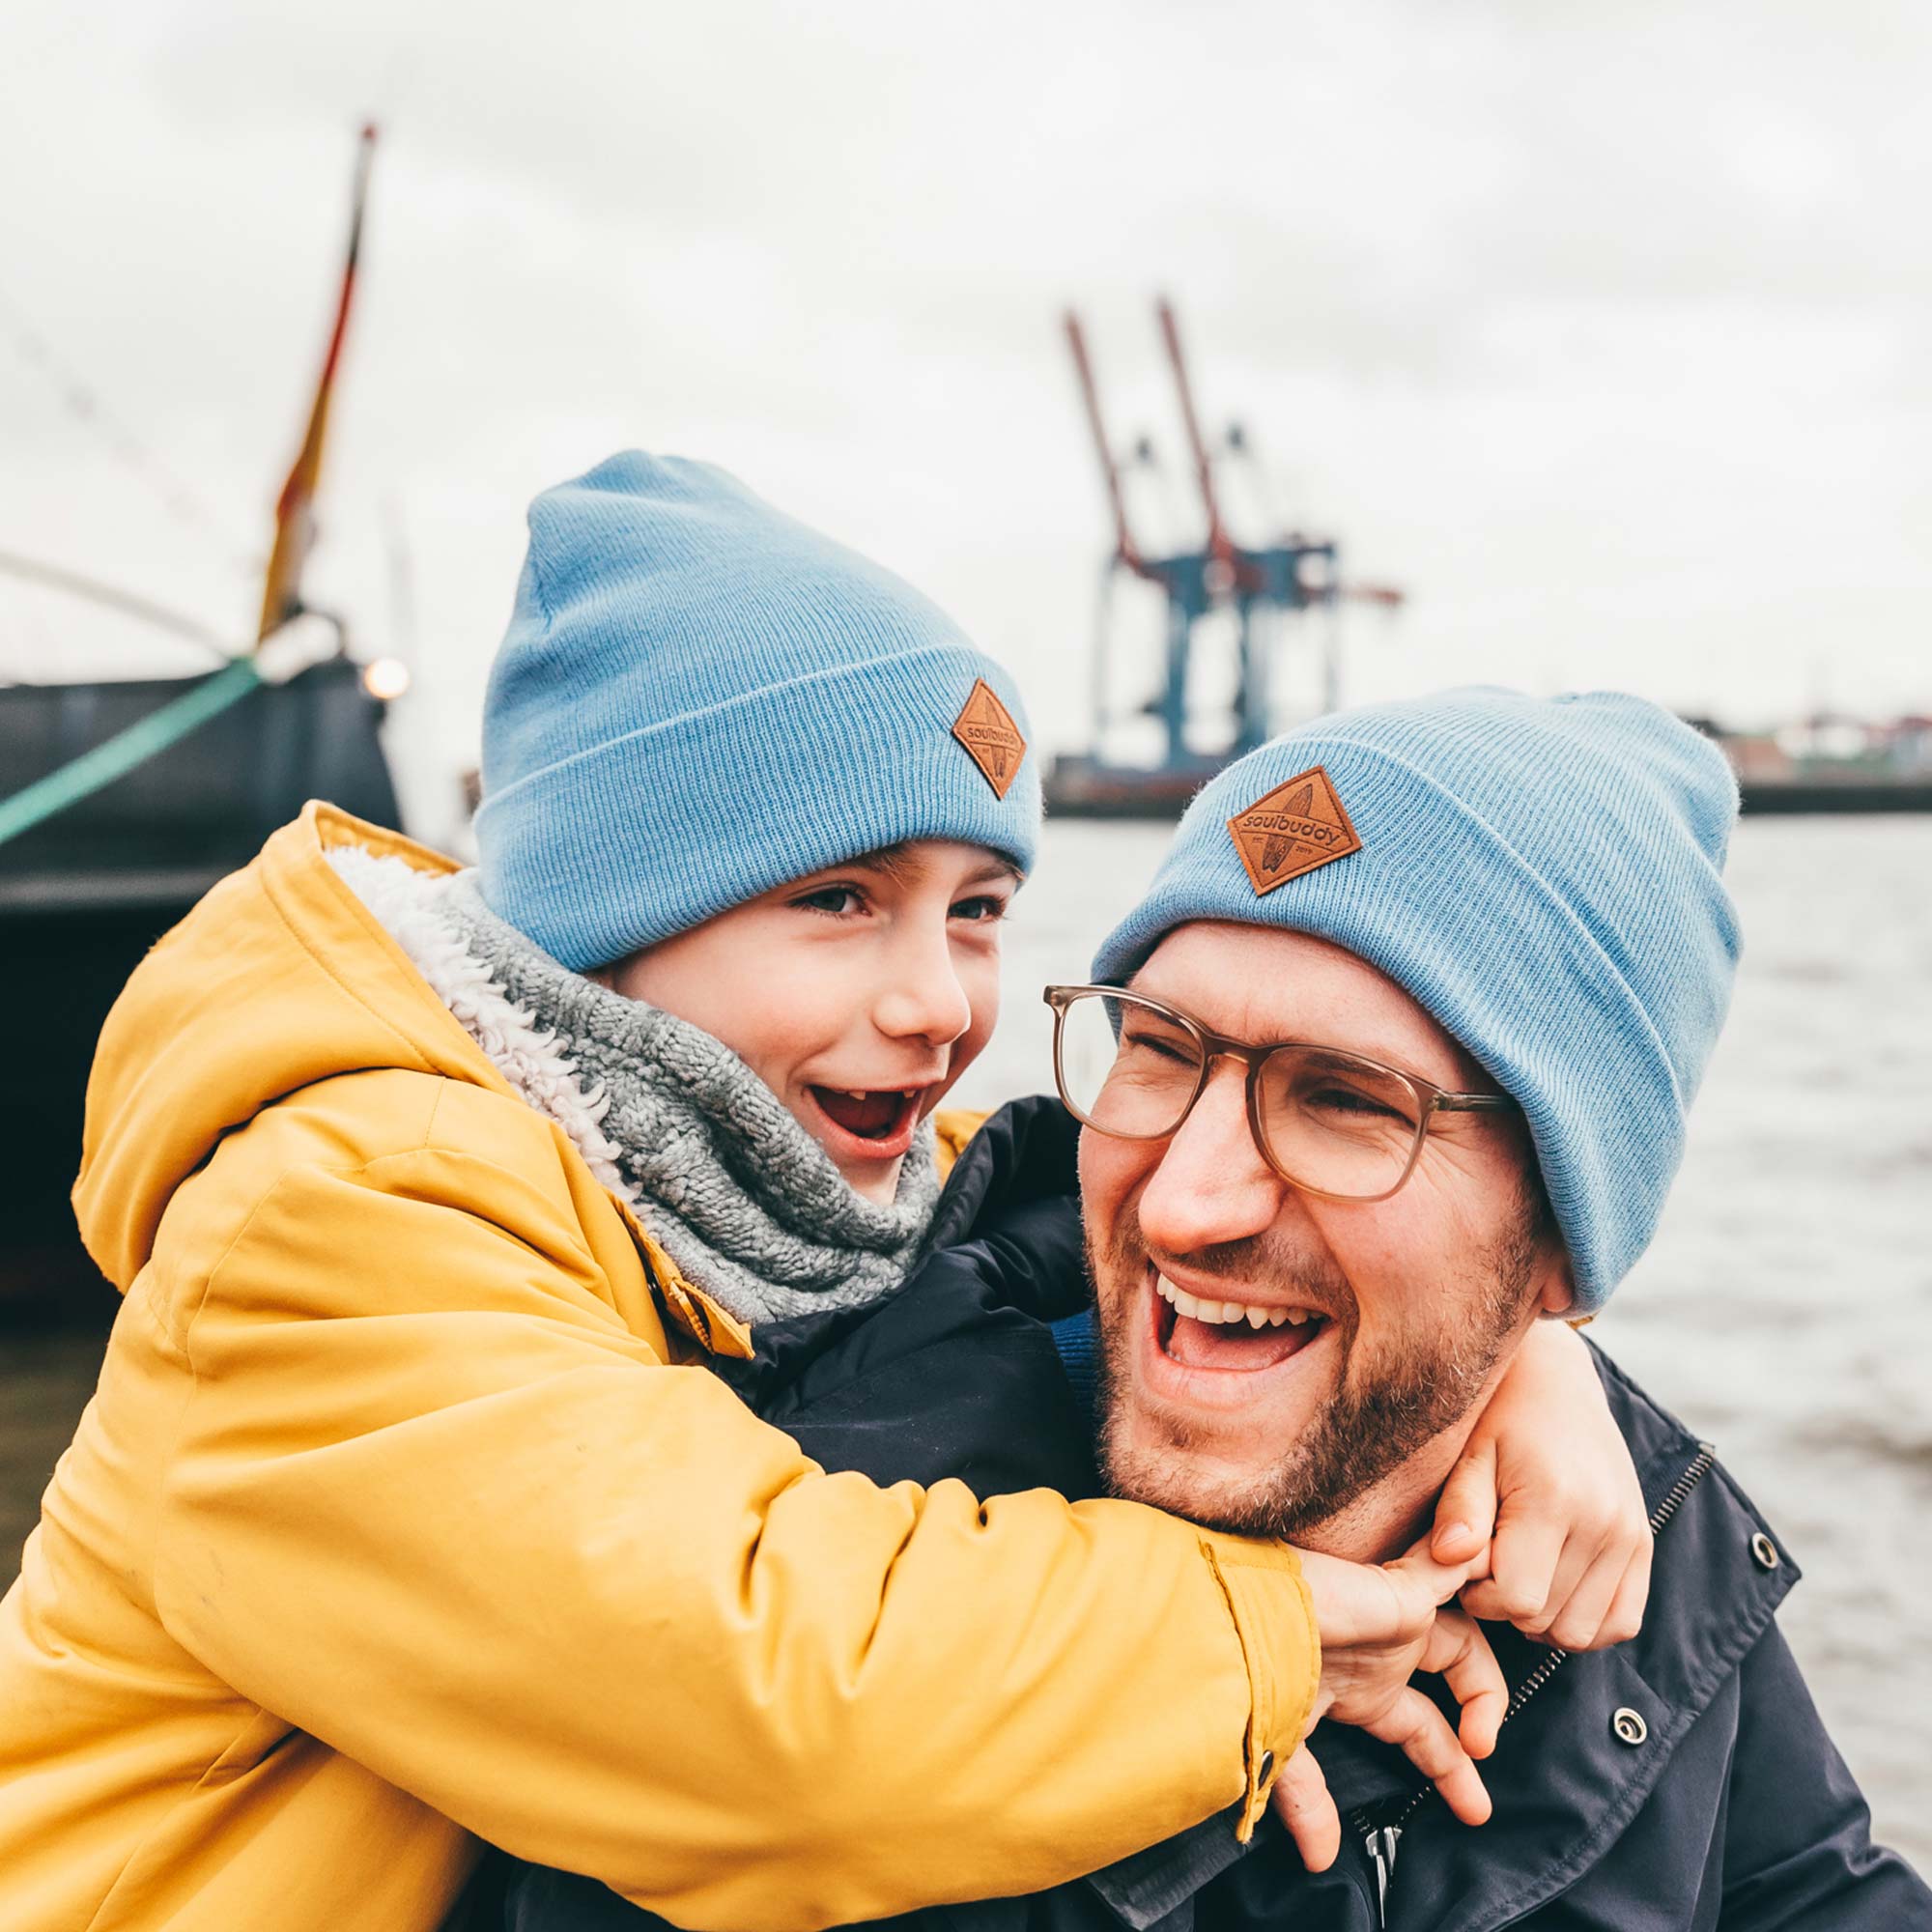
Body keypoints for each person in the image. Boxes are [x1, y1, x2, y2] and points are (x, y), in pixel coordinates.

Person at [0, 458, 1642, 1932]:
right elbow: (743, 1687)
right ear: (608, 916)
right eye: (841, 898)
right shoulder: (335, 1226)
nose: (938, 999)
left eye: (981, 907)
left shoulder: (769, 1183)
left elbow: (1158, 1216)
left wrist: (1518, 1349)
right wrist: (1266, 1639)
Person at [511, 690, 1928, 1931]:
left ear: (1560, 1258)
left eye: (1346, 1101)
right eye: (1159, 1050)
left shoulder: (1627, 1525)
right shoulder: (837, 1588)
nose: (1185, 1204)